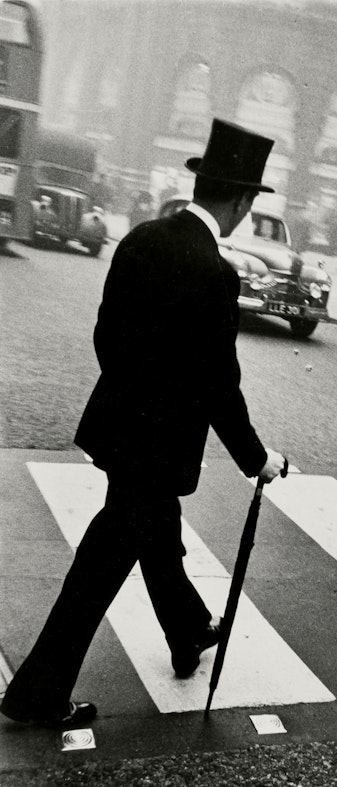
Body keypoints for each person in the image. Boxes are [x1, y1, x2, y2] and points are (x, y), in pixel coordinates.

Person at [1, 119, 286, 729]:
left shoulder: (141, 239)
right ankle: (36, 694)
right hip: (159, 448)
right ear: (239, 201)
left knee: (157, 530)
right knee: (100, 568)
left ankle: (186, 631)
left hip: (119, 432)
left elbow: (108, 336)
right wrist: (257, 458)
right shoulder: (217, 273)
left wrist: (135, 401)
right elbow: (219, 385)